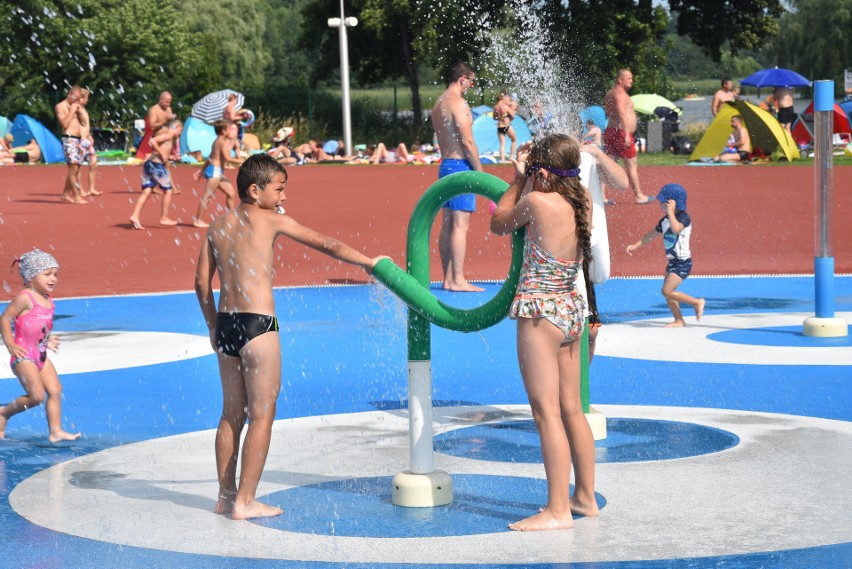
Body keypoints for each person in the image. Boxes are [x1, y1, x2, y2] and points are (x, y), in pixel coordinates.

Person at [194, 153, 386, 520]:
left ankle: (224, 495)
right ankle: (245, 502)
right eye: (279, 189)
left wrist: (212, 324)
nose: (283, 197)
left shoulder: (217, 226)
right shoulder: (270, 220)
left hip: (227, 326)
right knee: (262, 415)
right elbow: (325, 243)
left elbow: (201, 284)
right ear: (255, 189)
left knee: (231, 414)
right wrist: (367, 261)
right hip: (258, 326)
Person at [490, 135, 599, 531]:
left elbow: (497, 222)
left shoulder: (537, 201)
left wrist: (517, 179)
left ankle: (557, 510)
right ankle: (585, 497)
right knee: (572, 408)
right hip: (572, 309)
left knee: (546, 413)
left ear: (544, 173)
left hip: (541, 312)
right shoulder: (582, 198)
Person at [0, 249, 81, 442]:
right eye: (47, 274)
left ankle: (55, 431)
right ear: (30, 277)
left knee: (55, 390)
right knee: (36, 397)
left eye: (55, 274)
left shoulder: (48, 299)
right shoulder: (25, 297)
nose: (53, 279)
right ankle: (4, 412)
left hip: (41, 355)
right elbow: (5, 318)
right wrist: (10, 343)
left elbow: (39, 325)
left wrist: (48, 338)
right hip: (23, 356)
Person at [431, 61, 485, 292]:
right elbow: (467, 141)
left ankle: (448, 278)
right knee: (461, 225)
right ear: (463, 78)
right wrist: (480, 172)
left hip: (445, 165)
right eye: (471, 81)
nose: (471, 86)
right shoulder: (458, 103)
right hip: (460, 165)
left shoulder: (438, 103)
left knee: (448, 224)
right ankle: (458, 279)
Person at [625, 184, 705, 328]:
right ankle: (679, 320)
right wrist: (636, 245)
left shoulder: (683, 218)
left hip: (683, 263)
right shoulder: (665, 220)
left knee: (667, 291)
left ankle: (696, 302)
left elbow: (675, 229)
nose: (661, 205)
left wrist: (671, 212)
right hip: (672, 262)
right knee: (668, 293)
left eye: (664, 202)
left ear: (672, 203)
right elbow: (652, 235)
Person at [603, 68, 653, 204]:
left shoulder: (610, 93)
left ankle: (601, 196)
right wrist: (625, 135)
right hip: (621, 132)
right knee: (631, 164)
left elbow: (609, 111)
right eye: (629, 78)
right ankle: (639, 196)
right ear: (620, 80)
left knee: (608, 163)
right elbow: (622, 114)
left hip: (612, 130)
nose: (632, 81)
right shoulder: (620, 94)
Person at [129, 119, 183, 229]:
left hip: (150, 164)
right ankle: (164, 217)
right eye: (180, 130)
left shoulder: (169, 138)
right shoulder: (168, 135)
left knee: (147, 191)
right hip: (156, 165)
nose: (180, 134)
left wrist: (170, 156)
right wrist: (162, 152)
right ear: (176, 127)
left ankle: (135, 215)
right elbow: (152, 141)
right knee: (168, 190)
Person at [193, 121, 241, 228]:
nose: (231, 131)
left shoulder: (218, 141)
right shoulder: (221, 142)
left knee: (231, 193)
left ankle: (232, 217)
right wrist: (241, 161)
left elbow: (210, 157)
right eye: (229, 129)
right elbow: (228, 158)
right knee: (207, 196)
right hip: (215, 171)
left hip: (216, 171)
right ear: (224, 131)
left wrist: (202, 170)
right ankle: (198, 220)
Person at [55, 85, 88, 204]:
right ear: (70, 95)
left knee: (77, 168)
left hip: (78, 139)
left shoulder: (77, 106)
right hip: (68, 139)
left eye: (79, 99)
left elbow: (84, 123)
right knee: (73, 167)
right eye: (76, 98)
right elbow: (64, 124)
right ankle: (76, 196)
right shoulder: (60, 106)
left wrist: (79, 113)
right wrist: (72, 111)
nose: (77, 101)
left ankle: (65, 194)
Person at [77, 88, 101, 197]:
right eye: (86, 98)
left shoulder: (84, 109)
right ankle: (80, 189)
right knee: (78, 167)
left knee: (93, 163)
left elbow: (85, 125)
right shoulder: (76, 109)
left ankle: (91, 188)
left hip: (87, 141)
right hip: (79, 141)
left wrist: (89, 135)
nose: (87, 100)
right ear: (81, 98)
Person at [493, 90, 517, 162]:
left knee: (502, 143)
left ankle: (502, 159)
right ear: (503, 97)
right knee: (514, 140)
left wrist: (500, 118)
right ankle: (511, 157)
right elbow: (513, 116)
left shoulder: (495, 107)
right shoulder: (505, 107)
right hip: (507, 125)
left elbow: (494, 118)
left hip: (500, 126)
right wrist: (508, 119)